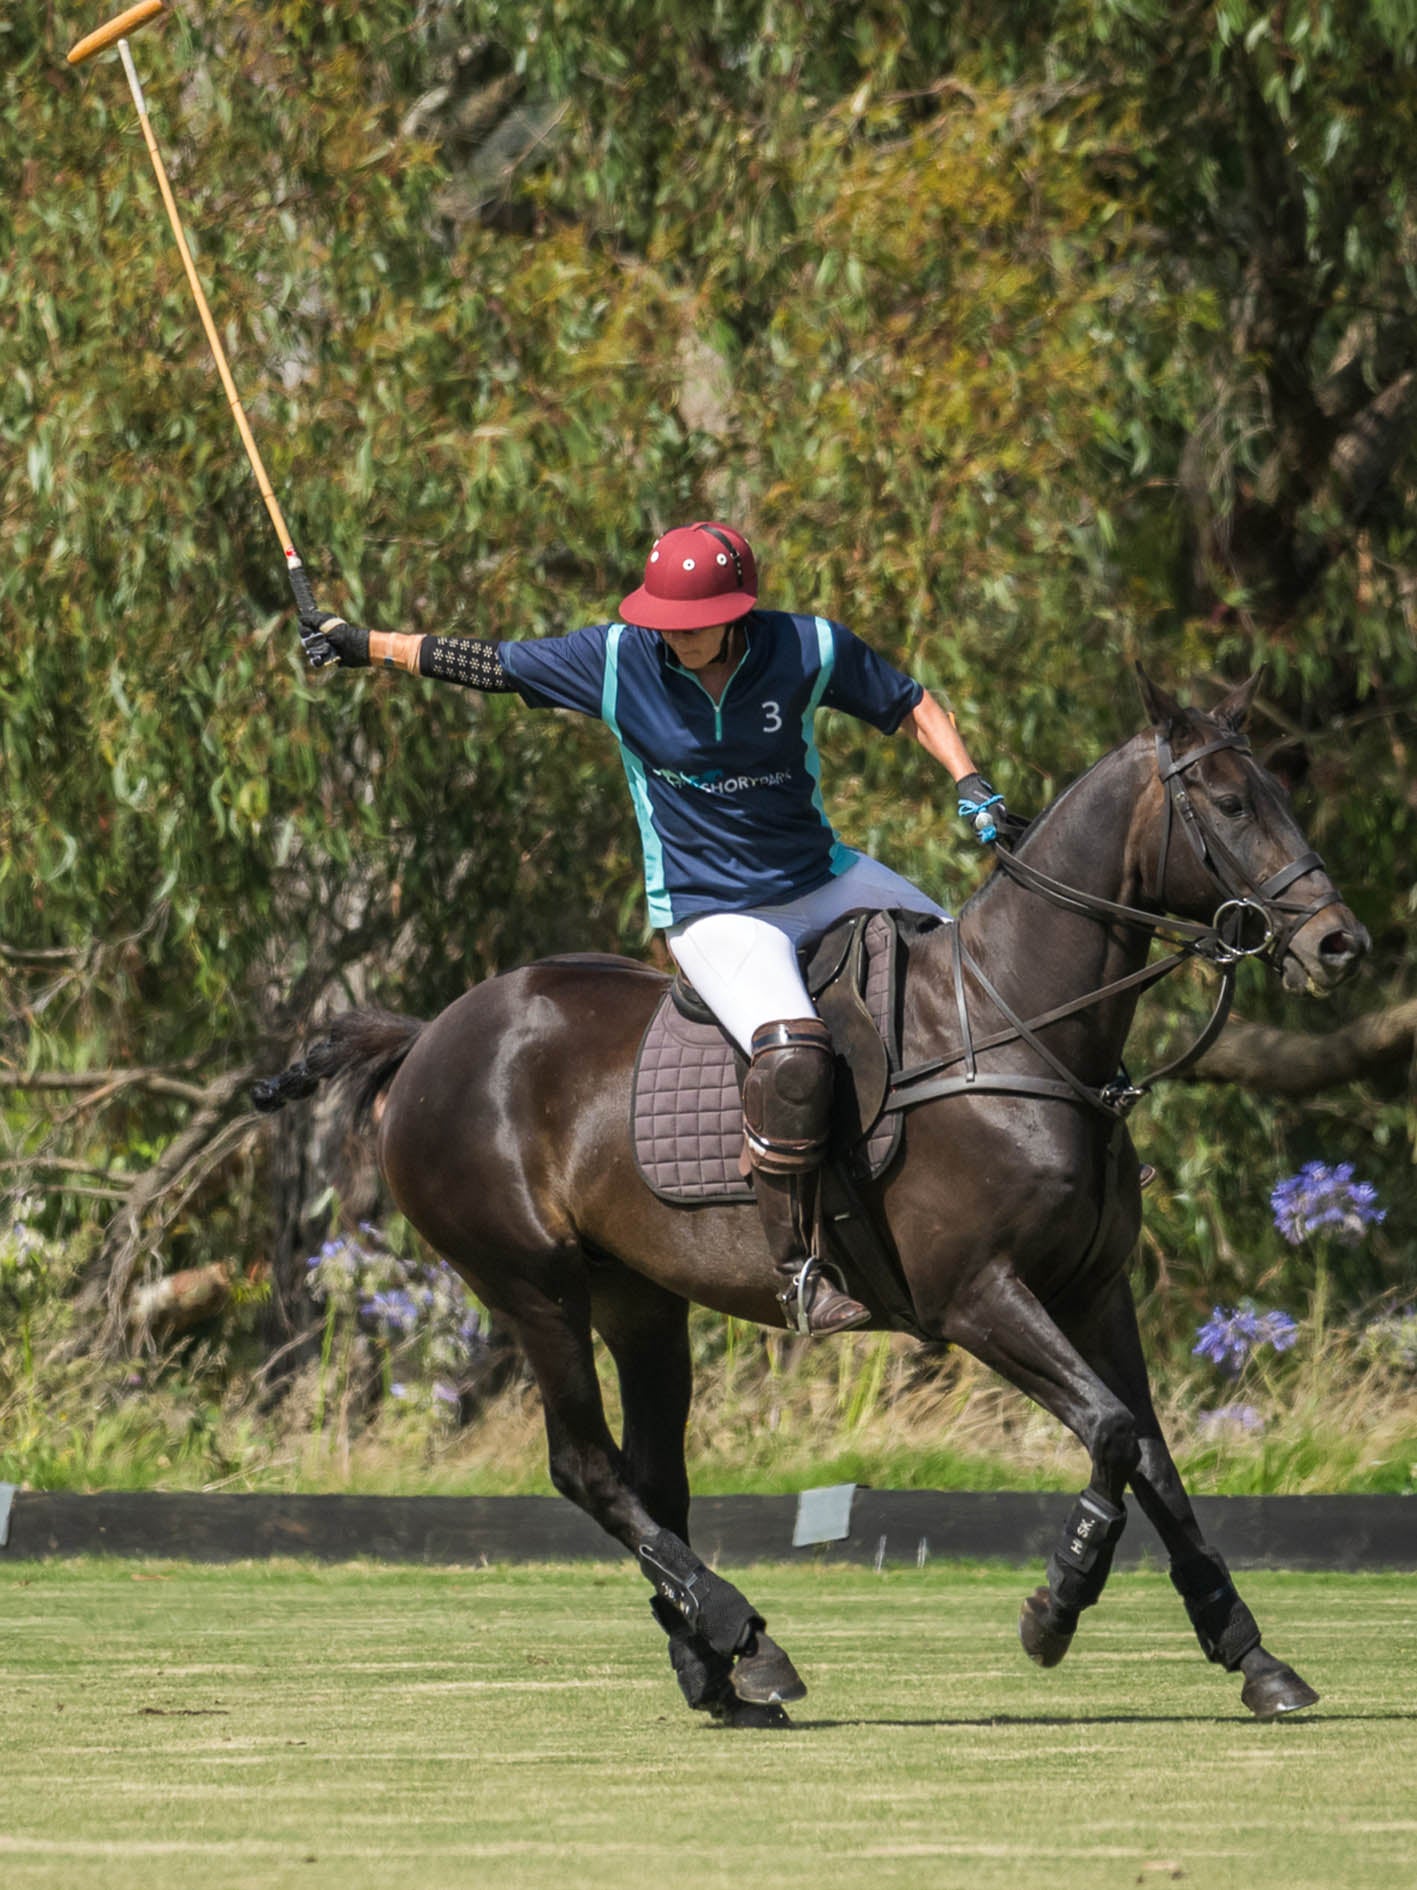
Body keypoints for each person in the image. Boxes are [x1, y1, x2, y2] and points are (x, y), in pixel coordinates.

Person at [299, 522, 1005, 1335]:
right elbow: (486, 662)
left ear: (740, 612)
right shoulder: (615, 660)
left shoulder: (807, 646)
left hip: (822, 876)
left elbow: (910, 702)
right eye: (662, 620)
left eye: (692, 622)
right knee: (793, 1056)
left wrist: (970, 782)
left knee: (976, 978)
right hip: (714, 910)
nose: (673, 635)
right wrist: (358, 643)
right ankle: (803, 1267)